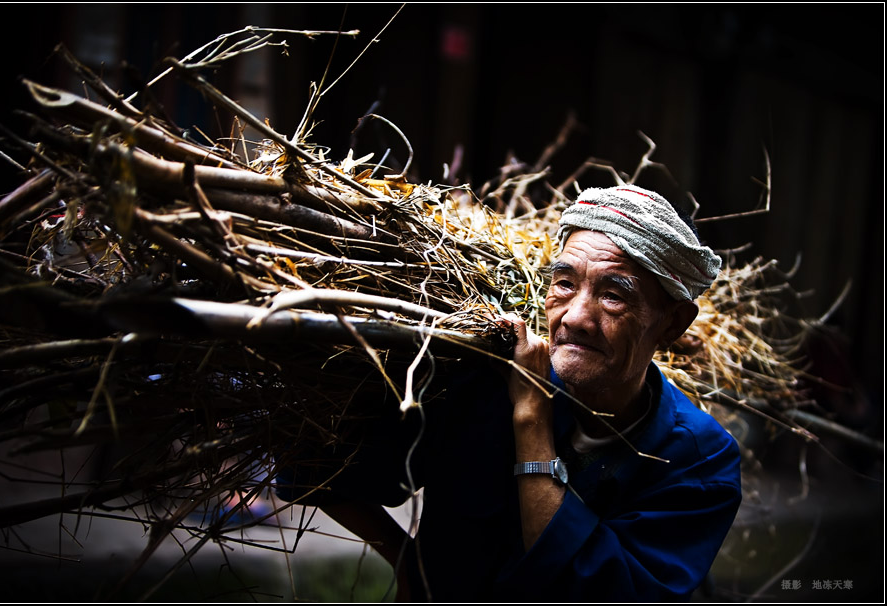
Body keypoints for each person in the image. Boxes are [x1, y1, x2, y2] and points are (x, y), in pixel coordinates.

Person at [277, 184, 742, 602]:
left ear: (674, 322)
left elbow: (594, 591)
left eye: (614, 295)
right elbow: (318, 469)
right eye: (564, 283)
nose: (576, 316)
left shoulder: (699, 461)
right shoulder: (482, 384)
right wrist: (406, 562)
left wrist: (531, 417)